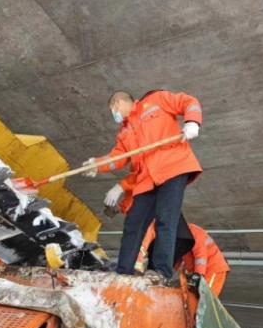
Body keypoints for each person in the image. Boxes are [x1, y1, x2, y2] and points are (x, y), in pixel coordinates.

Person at [83, 90, 203, 279]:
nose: (114, 114)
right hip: (146, 179)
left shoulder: (156, 100)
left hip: (172, 168)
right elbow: (118, 158)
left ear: (118, 102)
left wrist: (192, 121)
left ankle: (161, 272)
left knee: (165, 220)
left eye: (113, 109)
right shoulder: (124, 131)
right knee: (133, 224)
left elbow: (189, 101)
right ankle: (123, 271)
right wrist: (97, 165)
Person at [135, 221, 230, 297]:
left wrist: (198, 275)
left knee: (205, 298)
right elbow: (180, 258)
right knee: (194, 299)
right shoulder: (182, 237)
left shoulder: (194, 232)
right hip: (198, 271)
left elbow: (200, 255)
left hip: (213, 269)